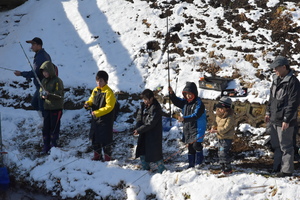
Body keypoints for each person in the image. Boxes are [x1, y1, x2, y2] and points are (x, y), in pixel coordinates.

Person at [265, 56, 300, 177]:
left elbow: (293, 103)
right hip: (274, 119)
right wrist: (268, 112)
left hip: (285, 121)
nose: (274, 70)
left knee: (286, 146)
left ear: (284, 67)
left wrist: (287, 119)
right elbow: (272, 99)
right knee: (276, 146)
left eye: (276, 68)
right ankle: (277, 168)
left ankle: (286, 170)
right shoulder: (275, 80)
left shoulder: (293, 82)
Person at [169, 82, 206, 168]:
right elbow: (176, 101)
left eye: (190, 94)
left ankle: (199, 162)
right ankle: (191, 165)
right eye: (186, 94)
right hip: (188, 128)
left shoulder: (199, 103)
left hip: (198, 128)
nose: (188, 96)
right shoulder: (185, 103)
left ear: (194, 94)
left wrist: (184, 118)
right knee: (190, 147)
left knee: (196, 145)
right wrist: (172, 93)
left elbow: (196, 115)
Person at [14, 37, 52, 118]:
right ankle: (44, 122)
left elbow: (36, 73)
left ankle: (47, 125)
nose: (31, 47)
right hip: (40, 85)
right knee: (35, 103)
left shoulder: (42, 57)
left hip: (43, 86)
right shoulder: (40, 55)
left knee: (42, 107)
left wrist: (21, 73)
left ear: (39, 45)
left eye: (33, 44)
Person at [84, 70, 116, 161]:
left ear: (106, 81)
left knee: (106, 139)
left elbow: (109, 107)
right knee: (95, 137)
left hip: (105, 120)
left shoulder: (109, 92)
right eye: (97, 80)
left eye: (101, 81)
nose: (98, 82)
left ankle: (107, 157)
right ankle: (97, 155)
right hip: (95, 119)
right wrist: (87, 104)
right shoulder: (95, 90)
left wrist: (98, 112)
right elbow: (91, 100)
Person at [133, 89, 166, 173]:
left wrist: (139, 130)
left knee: (155, 153)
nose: (144, 101)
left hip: (153, 134)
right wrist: (137, 127)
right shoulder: (143, 106)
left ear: (151, 98)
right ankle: (146, 169)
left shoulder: (156, 108)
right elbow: (139, 118)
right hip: (144, 132)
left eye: (146, 99)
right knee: (142, 151)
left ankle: (163, 171)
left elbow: (151, 123)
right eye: (143, 99)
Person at [39, 61, 64, 154]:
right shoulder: (43, 81)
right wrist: (42, 95)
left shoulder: (57, 81)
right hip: (47, 108)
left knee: (54, 128)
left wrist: (49, 95)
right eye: (43, 72)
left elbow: (59, 94)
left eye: (46, 71)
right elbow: (40, 91)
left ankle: (53, 145)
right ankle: (46, 145)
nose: (44, 73)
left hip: (56, 108)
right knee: (46, 127)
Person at [209, 97, 235, 174]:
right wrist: (213, 127)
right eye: (219, 108)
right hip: (220, 137)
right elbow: (215, 123)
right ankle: (222, 167)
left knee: (223, 152)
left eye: (222, 108)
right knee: (220, 153)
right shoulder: (218, 115)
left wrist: (216, 131)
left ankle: (228, 168)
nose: (220, 110)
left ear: (226, 108)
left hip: (227, 138)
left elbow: (226, 128)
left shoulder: (230, 117)